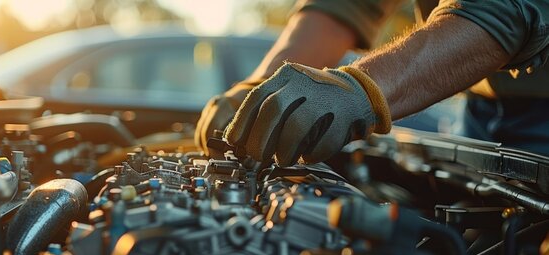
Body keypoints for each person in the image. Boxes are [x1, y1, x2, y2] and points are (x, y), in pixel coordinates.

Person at [195, 0, 549, 165]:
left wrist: (358, 87)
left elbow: (505, 12)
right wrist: (259, 87)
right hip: (480, 112)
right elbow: (343, 6)